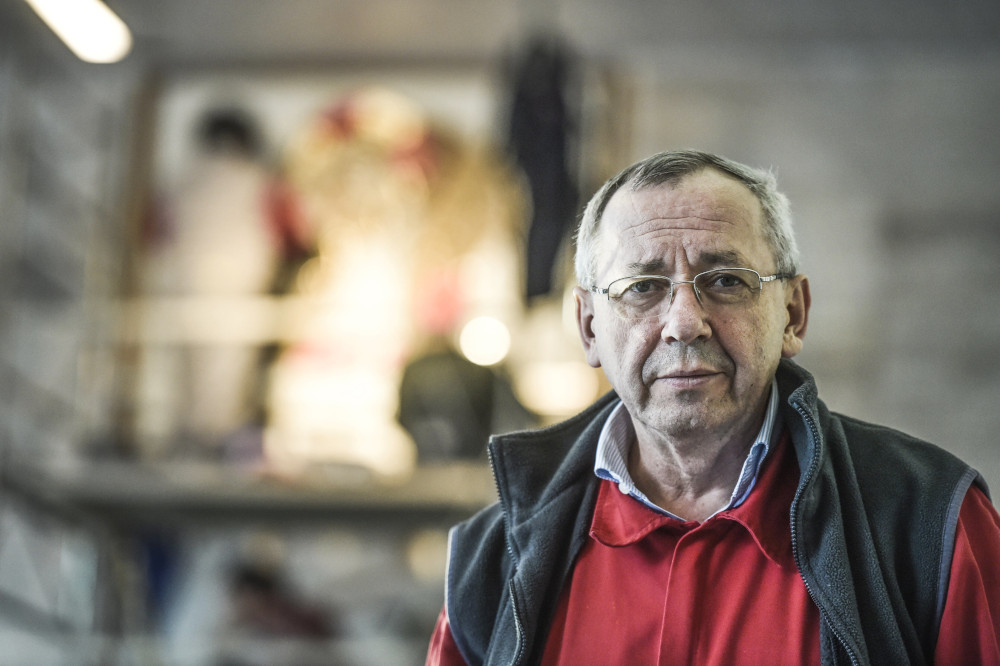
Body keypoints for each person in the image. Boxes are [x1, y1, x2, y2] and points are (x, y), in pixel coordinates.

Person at [425, 149, 1000, 665]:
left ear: (793, 314)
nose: (683, 323)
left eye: (726, 280)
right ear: (588, 327)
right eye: (642, 286)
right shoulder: (493, 557)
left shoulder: (933, 523)